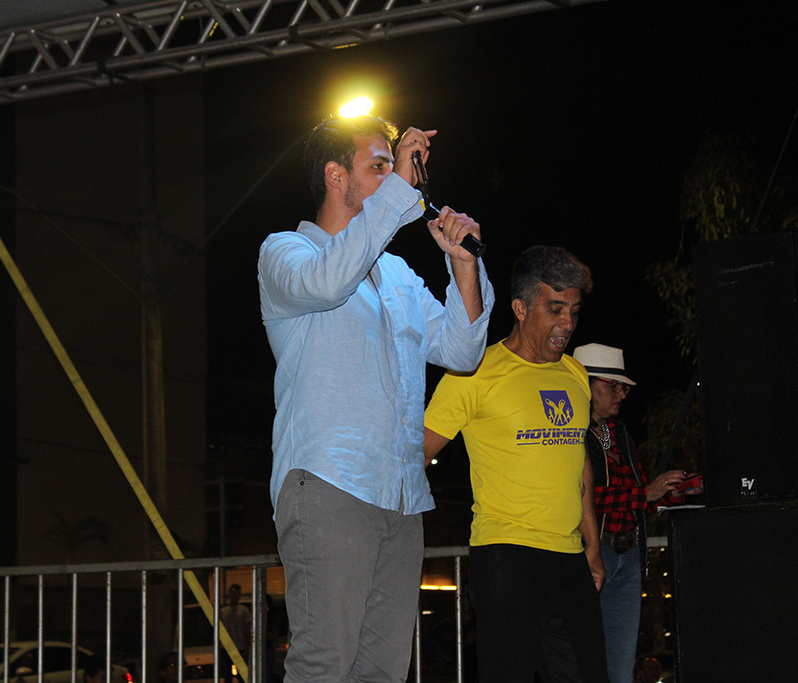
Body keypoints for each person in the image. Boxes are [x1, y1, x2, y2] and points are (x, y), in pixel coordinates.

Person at [258, 114, 494, 683]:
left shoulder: (397, 274)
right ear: (336, 176)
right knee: (324, 662)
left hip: (402, 495)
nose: (395, 179)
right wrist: (399, 193)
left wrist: (464, 265)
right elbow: (328, 281)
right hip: (329, 481)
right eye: (380, 166)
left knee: (382, 670)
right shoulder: (286, 252)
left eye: (395, 168)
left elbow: (461, 352)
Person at [423, 245, 608, 682]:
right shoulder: (473, 373)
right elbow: (417, 453)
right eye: (555, 309)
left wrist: (592, 543)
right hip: (506, 555)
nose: (567, 324)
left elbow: (577, 459)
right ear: (520, 308)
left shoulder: (575, 375)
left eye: (574, 311)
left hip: (569, 558)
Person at [572, 343, 699, 683]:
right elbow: (580, 496)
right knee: (583, 657)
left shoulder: (618, 432)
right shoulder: (568, 432)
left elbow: (638, 497)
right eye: (613, 385)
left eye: (623, 387)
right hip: (589, 555)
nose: (622, 394)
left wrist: (673, 492)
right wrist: (647, 493)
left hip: (626, 556)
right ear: (585, 385)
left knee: (620, 663)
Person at [219, 583, 252, 674]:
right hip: (226, 647)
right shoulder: (223, 612)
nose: (235, 596)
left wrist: (247, 646)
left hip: (240, 647)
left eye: (237, 594)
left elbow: (247, 629)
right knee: (227, 674)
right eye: (233, 594)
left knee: (242, 673)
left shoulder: (243, 610)